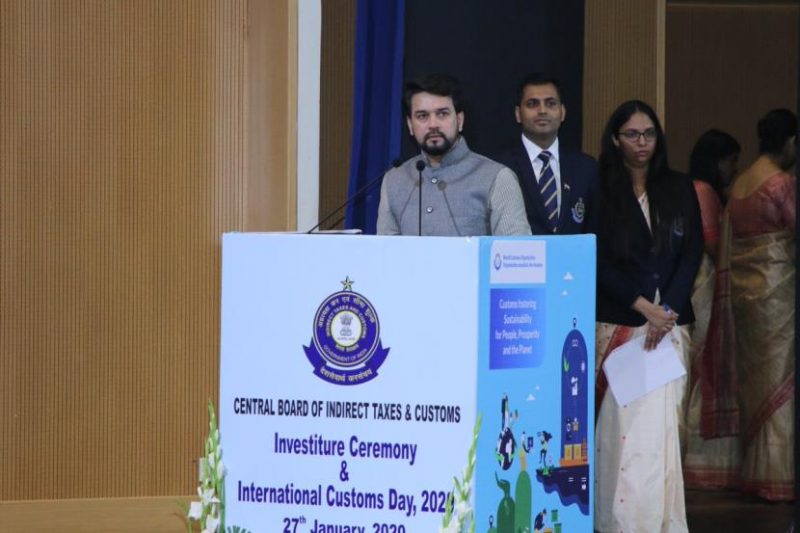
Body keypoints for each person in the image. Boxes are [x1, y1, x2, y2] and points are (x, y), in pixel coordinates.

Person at [593, 100, 703, 533]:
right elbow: (598, 259)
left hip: (670, 325)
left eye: (649, 134)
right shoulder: (602, 189)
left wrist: (667, 311)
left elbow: (692, 251)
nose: (642, 142)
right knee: (624, 431)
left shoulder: (678, 186)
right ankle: (621, 521)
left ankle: (662, 521)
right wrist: (644, 308)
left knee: (663, 432)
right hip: (623, 321)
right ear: (615, 139)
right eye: (632, 134)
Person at [727, 108, 796, 501]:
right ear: (791, 142)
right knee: (782, 378)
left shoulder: (740, 183)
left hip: (744, 296)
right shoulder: (782, 183)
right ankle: (779, 473)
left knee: (758, 380)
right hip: (778, 294)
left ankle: (758, 470)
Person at [376, 73, 531, 236]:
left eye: (442, 114)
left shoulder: (497, 178)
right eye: (422, 116)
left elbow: (515, 250)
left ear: (460, 120)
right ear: (410, 125)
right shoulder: (394, 180)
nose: (433, 124)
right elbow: (384, 250)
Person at [682, 129, 742, 490]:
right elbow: (713, 244)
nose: (734, 169)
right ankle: (702, 459)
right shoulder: (703, 191)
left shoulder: (693, 188)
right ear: (717, 161)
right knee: (706, 363)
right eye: (731, 161)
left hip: (698, 281)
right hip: (703, 281)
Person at [498, 73, 599, 235]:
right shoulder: (500, 168)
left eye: (551, 104)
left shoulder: (586, 168)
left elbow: (594, 230)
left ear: (562, 112)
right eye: (532, 104)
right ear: (518, 114)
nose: (542, 111)